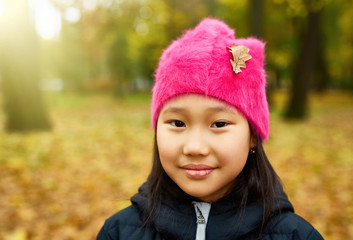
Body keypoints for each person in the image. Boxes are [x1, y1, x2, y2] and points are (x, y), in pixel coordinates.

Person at [96, 18, 324, 240]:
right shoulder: (118, 232)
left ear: (253, 136)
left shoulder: (296, 235)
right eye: (177, 123)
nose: (195, 147)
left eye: (219, 124)